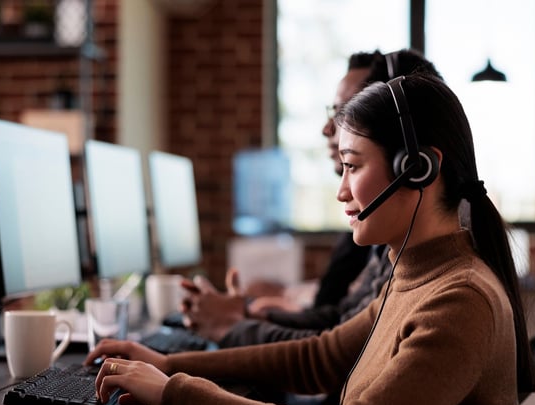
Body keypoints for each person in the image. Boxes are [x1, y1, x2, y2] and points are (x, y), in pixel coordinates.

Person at [85, 72, 535, 405]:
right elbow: (317, 359)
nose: (341, 191)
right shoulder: (416, 276)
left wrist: (174, 393)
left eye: (353, 166)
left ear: (417, 169)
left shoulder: (459, 300)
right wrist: (166, 364)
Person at [182, 49, 440, 348]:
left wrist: (234, 326)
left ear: (410, 162)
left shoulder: (434, 271)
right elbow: (340, 324)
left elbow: (329, 355)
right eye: (334, 112)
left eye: (346, 112)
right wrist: (247, 314)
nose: (329, 128)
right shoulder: (393, 241)